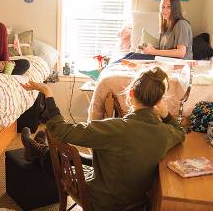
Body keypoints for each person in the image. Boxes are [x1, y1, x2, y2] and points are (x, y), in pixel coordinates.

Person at [21, 66, 185, 211]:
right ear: (159, 101)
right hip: (135, 201)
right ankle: (39, 148)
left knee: (64, 158)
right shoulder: (165, 133)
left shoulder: (113, 128)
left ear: (131, 93)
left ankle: (38, 150)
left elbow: (61, 130)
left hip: (101, 202)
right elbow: (180, 132)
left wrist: (47, 93)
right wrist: (166, 114)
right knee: (83, 157)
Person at [122, 0, 193, 61]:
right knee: (131, 55)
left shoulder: (181, 24)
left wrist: (154, 52)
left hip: (179, 63)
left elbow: (181, 53)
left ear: (175, 9)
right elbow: (165, 50)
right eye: (163, 6)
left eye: (169, 7)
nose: (164, 10)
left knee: (134, 57)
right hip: (166, 60)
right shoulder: (166, 26)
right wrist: (150, 49)